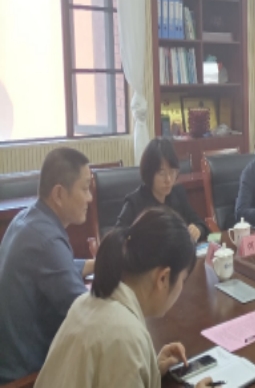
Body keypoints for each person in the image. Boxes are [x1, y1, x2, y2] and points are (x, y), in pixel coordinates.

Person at [36, 208, 211, 388]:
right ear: (163, 279)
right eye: (183, 280)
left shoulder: (85, 302)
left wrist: (149, 368)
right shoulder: (125, 336)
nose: (181, 287)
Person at [0, 148, 95, 383]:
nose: (90, 198)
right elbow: (87, 316)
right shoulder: (47, 241)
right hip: (25, 378)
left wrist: (95, 264)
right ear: (59, 194)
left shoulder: (26, 219)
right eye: (85, 189)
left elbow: (59, 268)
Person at [115, 137, 207, 242]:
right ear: (149, 173)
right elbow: (116, 238)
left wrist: (198, 230)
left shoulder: (178, 193)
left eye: (172, 172)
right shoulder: (134, 202)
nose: (168, 180)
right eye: (162, 173)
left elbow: (200, 223)